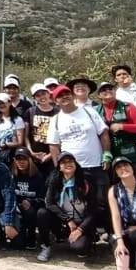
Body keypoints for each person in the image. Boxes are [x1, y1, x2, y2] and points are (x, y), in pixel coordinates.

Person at [45, 84, 111, 231]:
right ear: (56, 101)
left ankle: (107, 233)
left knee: (102, 200)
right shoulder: (55, 119)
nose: (65, 97)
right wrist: (58, 168)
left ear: (73, 95)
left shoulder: (89, 112)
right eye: (60, 96)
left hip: (95, 164)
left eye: (67, 93)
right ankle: (85, 232)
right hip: (73, 170)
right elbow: (54, 146)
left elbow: (103, 133)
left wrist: (107, 154)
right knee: (79, 201)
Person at [37, 152, 99, 262]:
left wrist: (80, 229)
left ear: (76, 164)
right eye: (64, 162)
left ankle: (84, 239)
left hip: (82, 221)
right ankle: (46, 246)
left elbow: (94, 210)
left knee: (80, 248)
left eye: (70, 161)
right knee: (42, 213)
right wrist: (68, 220)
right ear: (59, 167)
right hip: (63, 220)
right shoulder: (55, 180)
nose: (68, 164)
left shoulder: (86, 181)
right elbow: (49, 203)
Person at [96, 81, 136, 178]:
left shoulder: (128, 106)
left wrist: (122, 126)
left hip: (130, 155)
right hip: (107, 156)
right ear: (99, 95)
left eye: (110, 88)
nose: (107, 91)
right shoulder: (95, 111)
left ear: (115, 91)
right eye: (103, 90)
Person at [9, 149, 47, 250]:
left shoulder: (38, 176)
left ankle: (32, 235)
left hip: (32, 210)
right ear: (14, 160)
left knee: (31, 211)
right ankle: (19, 233)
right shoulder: (12, 175)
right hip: (17, 210)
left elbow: (43, 198)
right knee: (18, 244)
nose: (21, 162)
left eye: (24, 159)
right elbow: (8, 195)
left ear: (30, 160)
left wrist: (31, 201)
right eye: (18, 159)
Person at [24, 84, 59, 184]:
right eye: (38, 95)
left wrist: (49, 155)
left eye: (43, 93)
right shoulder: (30, 112)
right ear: (34, 98)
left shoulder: (58, 112)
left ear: (48, 94)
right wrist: (31, 152)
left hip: (53, 156)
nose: (42, 97)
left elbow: (61, 136)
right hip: (34, 156)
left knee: (51, 183)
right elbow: (26, 136)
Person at [0, 92, 26, 164]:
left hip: (12, 155)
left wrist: (7, 145)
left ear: (10, 103)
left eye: (3, 102)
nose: (1, 105)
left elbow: (20, 142)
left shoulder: (18, 120)